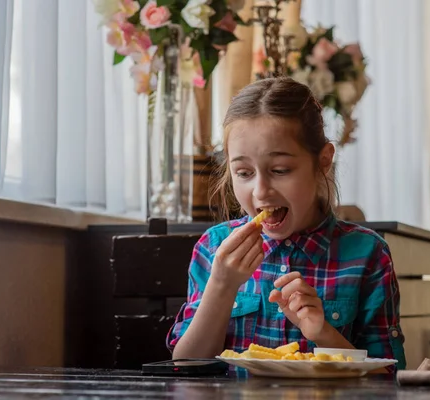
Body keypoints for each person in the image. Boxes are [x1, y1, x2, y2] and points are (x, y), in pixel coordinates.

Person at [166, 76, 406, 371]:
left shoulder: (367, 254)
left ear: (323, 161)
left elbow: (388, 376)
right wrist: (221, 286)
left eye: (280, 170)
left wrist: (322, 333)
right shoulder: (214, 248)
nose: (260, 191)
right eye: (243, 173)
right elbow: (185, 366)